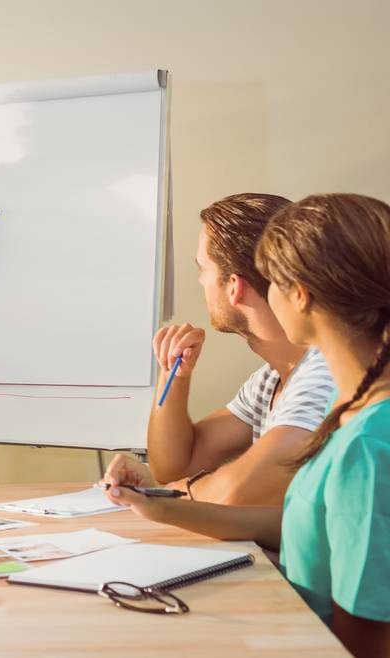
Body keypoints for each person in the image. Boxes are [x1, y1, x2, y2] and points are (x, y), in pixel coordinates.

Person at [105, 193, 390, 658]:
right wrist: (161, 507)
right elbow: (307, 523)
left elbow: (368, 641)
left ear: (300, 295)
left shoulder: (366, 442)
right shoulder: (356, 406)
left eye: (272, 280)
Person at [110, 194, 335, 505]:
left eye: (203, 269)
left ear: (234, 286)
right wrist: (173, 376)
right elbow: (174, 465)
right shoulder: (271, 380)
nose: (202, 281)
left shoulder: (324, 373)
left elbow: (236, 490)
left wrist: (160, 496)